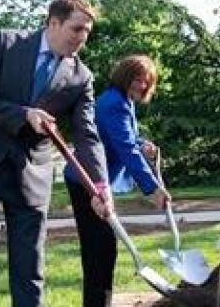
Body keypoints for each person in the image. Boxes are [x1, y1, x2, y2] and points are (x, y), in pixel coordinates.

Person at [0, 0, 111, 307]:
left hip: (31, 179)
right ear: (54, 23)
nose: (82, 39)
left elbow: (88, 136)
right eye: (76, 29)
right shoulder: (6, 43)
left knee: (30, 275)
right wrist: (24, 114)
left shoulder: (81, 77)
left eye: (87, 32)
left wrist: (99, 187)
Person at [63, 54, 170, 307]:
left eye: (146, 82)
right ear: (125, 76)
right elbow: (125, 149)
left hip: (91, 180)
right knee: (100, 250)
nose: (141, 86)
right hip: (86, 183)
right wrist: (151, 188)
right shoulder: (114, 103)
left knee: (102, 250)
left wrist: (143, 144)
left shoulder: (121, 101)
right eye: (137, 79)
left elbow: (126, 139)